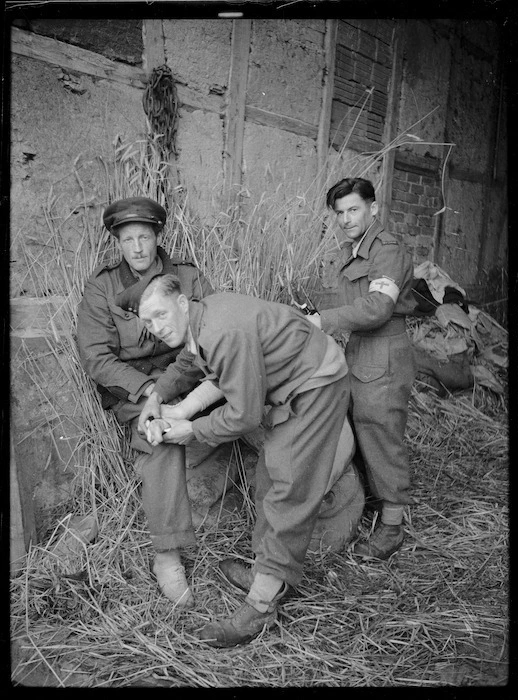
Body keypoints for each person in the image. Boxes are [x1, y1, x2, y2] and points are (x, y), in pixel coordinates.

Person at [135, 274, 350, 647]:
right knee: (269, 477)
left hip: (317, 383)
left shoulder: (222, 332)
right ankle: (267, 572)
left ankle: (261, 607)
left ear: (182, 303)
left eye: (160, 315)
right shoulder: (202, 320)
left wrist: (191, 429)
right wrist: (158, 396)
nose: (156, 327)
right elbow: (190, 361)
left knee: (289, 488)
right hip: (294, 385)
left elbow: (244, 416)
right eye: (148, 323)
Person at [76, 197, 214, 608]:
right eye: (127, 239)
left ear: (158, 237)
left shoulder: (186, 276)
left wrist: (186, 387)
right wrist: (148, 394)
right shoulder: (102, 285)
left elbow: (210, 331)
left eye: (145, 237)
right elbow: (97, 357)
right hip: (134, 387)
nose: (137, 248)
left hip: (188, 374)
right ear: (117, 242)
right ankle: (167, 556)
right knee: (159, 433)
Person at [309, 177, 417, 560]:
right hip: (358, 349)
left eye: (353, 209)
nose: (345, 218)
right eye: (339, 212)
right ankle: (370, 505)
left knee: (380, 431)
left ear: (373, 208)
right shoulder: (350, 251)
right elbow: (341, 298)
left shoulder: (387, 249)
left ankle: (391, 526)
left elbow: (378, 308)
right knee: (357, 426)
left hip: (384, 349)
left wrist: (324, 321)